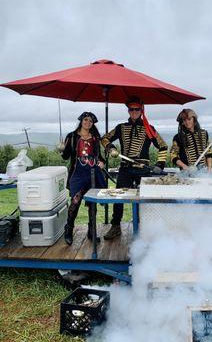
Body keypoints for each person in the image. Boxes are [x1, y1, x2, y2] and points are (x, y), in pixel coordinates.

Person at [101, 96, 168, 240]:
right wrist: (111, 147)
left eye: (137, 109)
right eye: (131, 109)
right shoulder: (121, 127)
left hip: (143, 170)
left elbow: (162, 146)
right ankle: (115, 226)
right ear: (128, 110)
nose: (134, 112)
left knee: (144, 200)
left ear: (141, 110)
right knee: (118, 197)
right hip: (125, 168)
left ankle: (144, 227)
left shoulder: (149, 129)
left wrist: (159, 164)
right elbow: (104, 138)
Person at [59, 112, 106, 245]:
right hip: (78, 173)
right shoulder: (72, 136)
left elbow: (99, 156)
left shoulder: (96, 137)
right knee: (75, 201)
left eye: (91, 121)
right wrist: (62, 149)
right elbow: (66, 157)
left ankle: (91, 232)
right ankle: (69, 229)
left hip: (93, 173)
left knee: (92, 203)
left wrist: (102, 162)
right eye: (86, 120)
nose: (88, 123)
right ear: (81, 121)